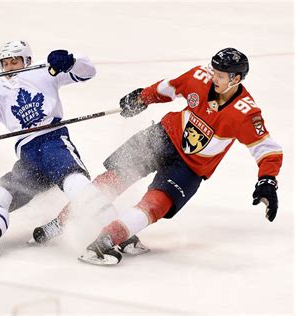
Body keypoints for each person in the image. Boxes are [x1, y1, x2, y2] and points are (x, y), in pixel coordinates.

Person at [33, 47, 283, 265]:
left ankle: (106, 239)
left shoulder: (245, 113)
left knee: (157, 203)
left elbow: (266, 148)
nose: (213, 77)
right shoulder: (200, 76)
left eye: (220, 75)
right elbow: (170, 87)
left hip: (190, 165)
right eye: (214, 71)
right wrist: (142, 98)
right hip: (163, 135)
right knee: (114, 177)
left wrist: (267, 181)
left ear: (236, 78)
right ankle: (59, 222)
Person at [0, 40, 97, 257]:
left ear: (27, 60)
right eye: (5, 63)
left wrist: (71, 61)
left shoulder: (44, 70)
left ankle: (110, 228)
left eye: (15, 61)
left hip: (53, 141)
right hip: (27, 157)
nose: (10, 67)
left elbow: (88, 72)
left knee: (73, 180)